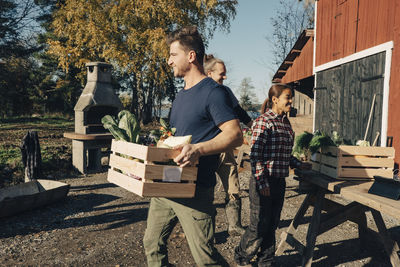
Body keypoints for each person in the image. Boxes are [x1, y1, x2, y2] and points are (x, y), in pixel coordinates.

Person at [143, 26, 243, 267]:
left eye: (173, 55)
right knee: (152, 244)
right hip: (166, 184)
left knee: (205, 258)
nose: (168, 61)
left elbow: (235, 135)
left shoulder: (213, 93)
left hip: (195, 190)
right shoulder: (180, 96)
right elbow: (178, 136)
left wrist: (198, 149)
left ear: (191, 56)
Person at [234, 84, 294, 267]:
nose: (291, 101)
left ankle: (265, 262)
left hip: (279, 181)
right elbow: (256, 155)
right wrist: (262, 182)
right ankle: (241, 258)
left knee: (272, 225)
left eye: (291, 97)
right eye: (287, 97)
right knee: (258, 226)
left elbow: (284, 154)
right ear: (275, 100)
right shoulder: (263, 121)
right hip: (263, 181)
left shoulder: (285, 122)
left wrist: (299, 164)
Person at [204, 54, 253, 236]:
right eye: (221, 74)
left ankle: (234, 225)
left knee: (233, 187)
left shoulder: (225, 92)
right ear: (209, 74)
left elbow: (239, 111)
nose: (225, 77)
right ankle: (205, 232)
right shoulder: (200, 93)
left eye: (225, 74)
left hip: (225, 150)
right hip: (205, 149)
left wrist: (253, 127)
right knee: (204, 191)